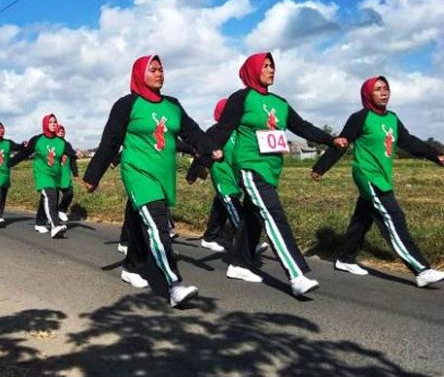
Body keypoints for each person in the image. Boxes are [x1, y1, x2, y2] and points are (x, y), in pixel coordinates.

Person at [83, 54, 216, 308]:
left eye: (161, 69)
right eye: (153, 69)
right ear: (139, 74)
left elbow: (192, 132)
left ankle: (131, 266)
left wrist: (210, 149)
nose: (159, 73)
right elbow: (110, 140)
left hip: (163, 175)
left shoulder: (172, 104)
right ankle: (174, 285)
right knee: (158, 225)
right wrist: (93, 175)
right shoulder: (127, 104)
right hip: (137, 172)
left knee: (138, 223)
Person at [210, 52, 346, 297]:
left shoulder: (280, 103)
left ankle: (239, 263)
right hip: (251, 166)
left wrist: (330, 139)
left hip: (272, 169)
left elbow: (302, 126)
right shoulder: (242, 98)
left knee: (253, 217)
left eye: (272, 65)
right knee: (274, 215)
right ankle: (296, 274)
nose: (271, 69)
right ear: (252, 70)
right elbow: (224, 128)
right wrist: (208, 153)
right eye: (265, 66)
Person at [312, 75, 444, 288]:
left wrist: (435, 156)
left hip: (382, 175)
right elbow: (342, 143)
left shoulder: (392, 118)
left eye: (386, 88)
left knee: (362, 218)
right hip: (367, 175)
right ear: (367, 94)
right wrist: (321, 167)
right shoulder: (360, 117)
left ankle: (345, 258)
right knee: (393, 217)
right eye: (378, 89)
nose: (384, 92)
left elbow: (409, 142)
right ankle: (421, 269)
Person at [187, 99, 270, 255]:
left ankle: (210, 238)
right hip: (222, 174)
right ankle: (249, 243)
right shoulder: (214, 131)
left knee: (221, 205)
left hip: (235, 174)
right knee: (233, 205)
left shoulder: (241, 131)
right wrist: (192, 175)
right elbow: (201, 153)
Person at [9, 114, 74, 239]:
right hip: (42, 173)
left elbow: (70, 152)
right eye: (50, 122)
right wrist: (10, 162)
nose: (54, 124)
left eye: (55, 122)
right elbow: (25, 153)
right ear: (45, 124)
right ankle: (55, 226)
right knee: (51, 195)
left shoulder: (61, 142)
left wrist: (77, 153)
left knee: (46, 197)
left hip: (55, 174)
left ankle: (39, 222)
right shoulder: (38, 139)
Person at [55, 125, 79, 222]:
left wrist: (75, 173)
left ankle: (61, 210)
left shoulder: (67, 145)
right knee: (53, 197)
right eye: (59, 130)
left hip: (65, 174)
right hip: (55, 175)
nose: (61, 131)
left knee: (69, 193)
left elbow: (73, 160)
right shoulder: (53, 145)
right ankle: (51, 216)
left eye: (62, 130)